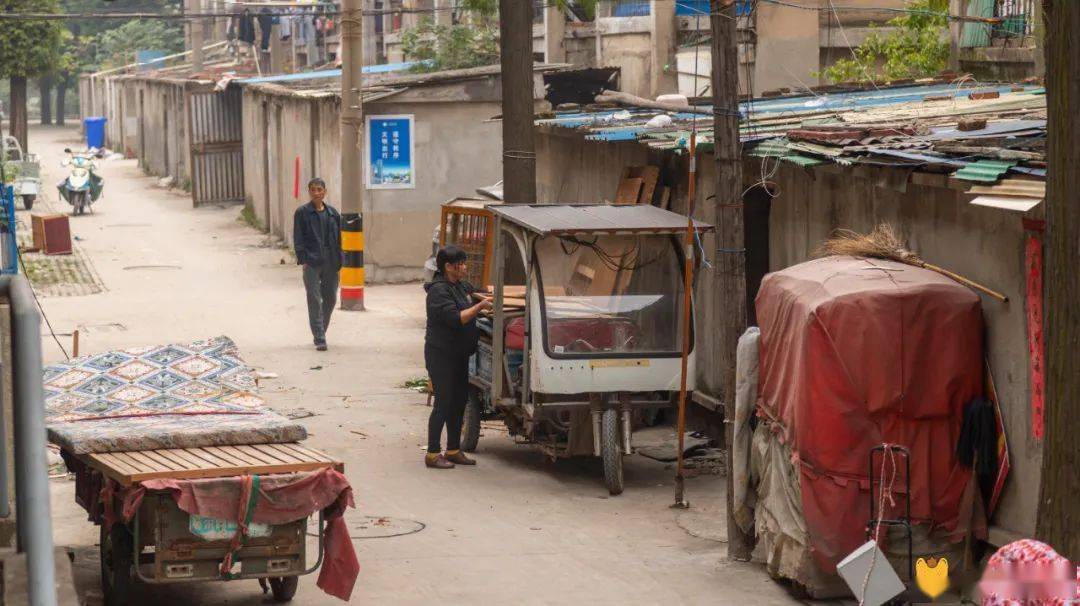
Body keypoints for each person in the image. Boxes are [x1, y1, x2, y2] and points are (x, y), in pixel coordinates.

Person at [424, 246, 491, 469]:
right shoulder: (438, 291)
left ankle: (453, 449)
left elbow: (476, 293)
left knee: (458, 401)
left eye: (464, 263)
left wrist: (488, 295)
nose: (464, 267)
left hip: (459, 354)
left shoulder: (460, 286)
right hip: (441, 354)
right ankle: (432, 453)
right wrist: (480, 306)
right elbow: (457, 318)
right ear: (448, 267)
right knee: (443, 402)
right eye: (460, 264)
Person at [293, 178, 342, 351]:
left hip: (331, 260)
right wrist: (303, 260)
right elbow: (298, 238)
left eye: (319, 189)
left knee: (330, 298)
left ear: (324, 192)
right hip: (311, 261)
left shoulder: (333, 214)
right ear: (309, 192)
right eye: (313, 190)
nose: (316, 193)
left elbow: (339, 240)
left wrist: (339, 260)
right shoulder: (302, 213)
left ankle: (321, 330)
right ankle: (320, 337)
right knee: (314, 299)